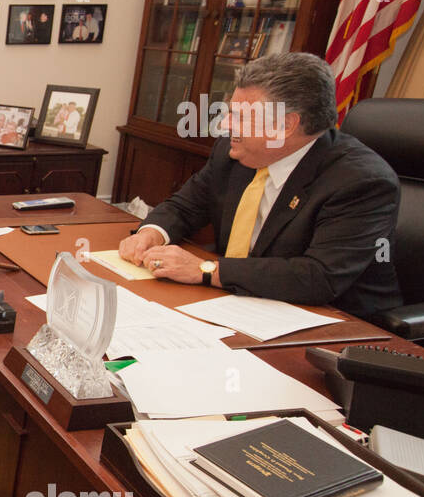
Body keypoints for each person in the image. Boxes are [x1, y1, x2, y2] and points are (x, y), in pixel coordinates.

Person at [118, 53, 403, 319]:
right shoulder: (233, 153)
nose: (224, 125)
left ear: (286, 125)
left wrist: (205, 269)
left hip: (334, 324)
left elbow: (318, 277)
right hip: (241, 304)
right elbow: (185, 206)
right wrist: (152, 233)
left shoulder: (361, 182)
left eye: (240, 117)